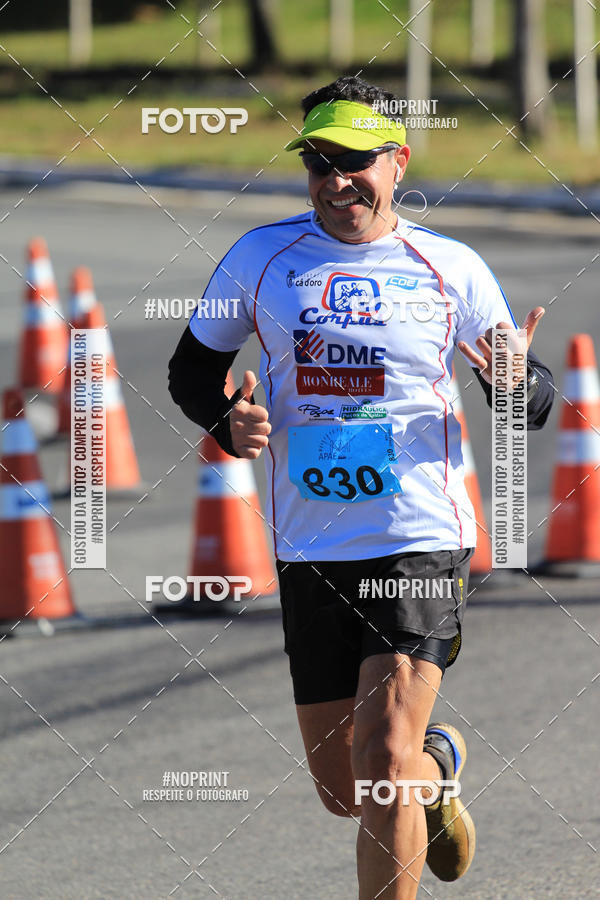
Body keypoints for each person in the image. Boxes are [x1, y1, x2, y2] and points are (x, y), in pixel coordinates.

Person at [168, 76, 554, 898]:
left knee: (378, 763)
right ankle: (436, 765)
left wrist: (515, 382)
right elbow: (190, 370)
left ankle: (409, 767)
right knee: (348, 790)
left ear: (398, 162)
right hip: (311, 542)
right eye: (317, 163)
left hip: (418, 536)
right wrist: (225, 421)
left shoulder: (449, 266)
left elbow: (535, 396)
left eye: (353, 162)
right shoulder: (261, 259)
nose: (335, 181)